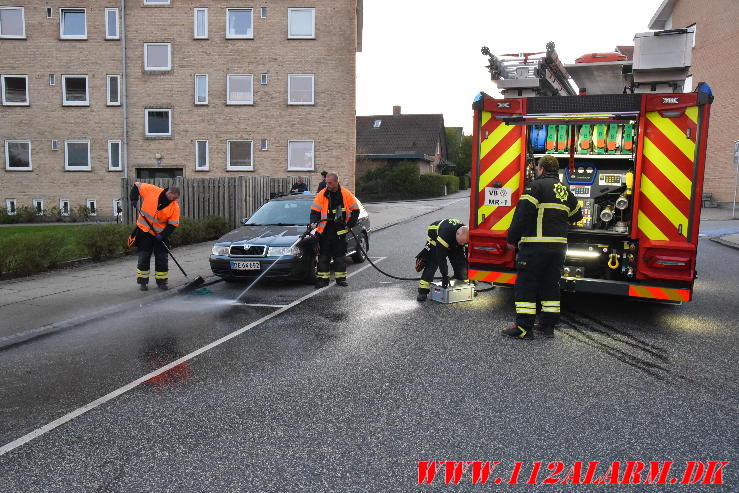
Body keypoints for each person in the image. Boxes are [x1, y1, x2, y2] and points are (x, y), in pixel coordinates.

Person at [502, 155, 582, 339]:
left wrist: (512, 238)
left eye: (537, 168)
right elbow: (577, 216)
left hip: (535, 247)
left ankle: (523, 329)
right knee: (550, 286)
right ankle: (548, 327)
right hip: (559, 249)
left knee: (526, 286)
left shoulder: (535, 187)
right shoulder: (565, 191)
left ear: (541, 169)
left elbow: (522, 214)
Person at [309, 173, 360, 288]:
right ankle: (323, 280)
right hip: (325, 232)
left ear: (337, 182)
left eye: (330, 183)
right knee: (323, 257)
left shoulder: (346, 194)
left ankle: (341, 279)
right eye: (326, 182)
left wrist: (350, 224)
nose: (327, 185)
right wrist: (313, 225)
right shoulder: (322, 194)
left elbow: (355, 211)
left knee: (339, 258)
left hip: (340, 232)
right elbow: (314, 212)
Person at [129, 182, 181, 291]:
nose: (173, 200)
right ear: (169, 192)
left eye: (175, 199)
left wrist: (163, 235)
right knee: (144, 256)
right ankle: (143, 282)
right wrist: (134, 198)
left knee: (162, 258)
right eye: (173, 198)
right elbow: (136, 186)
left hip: (160, 235)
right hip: (144, 231)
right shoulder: (152, 191)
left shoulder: (174, 207)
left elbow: (172, 225)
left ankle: (162, 283)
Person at [416, 219, 469, 302]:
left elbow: (466, 256)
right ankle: (423, 291)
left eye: (464, 243)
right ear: (457, 234)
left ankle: (465, 287)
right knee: (433, 263)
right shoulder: (445, 234)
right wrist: (445, 276)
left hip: (452, 240)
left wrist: (470, 273)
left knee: (460, 263)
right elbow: (441, 258)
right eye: (461, 242)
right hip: (435, 239)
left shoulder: (464, 234)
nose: (462, 244)